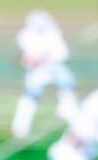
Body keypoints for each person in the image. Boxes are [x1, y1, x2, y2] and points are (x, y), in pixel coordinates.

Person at [12, 10, 77, 138]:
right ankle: (21, 125)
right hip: (36, 71)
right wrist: (30, 60)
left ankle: (67, 110)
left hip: (52, 66)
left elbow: (62, 54)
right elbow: (22, 57)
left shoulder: (52, 34)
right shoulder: (25, 36)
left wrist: (46, 58)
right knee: (31, 96)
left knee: (68, 84)